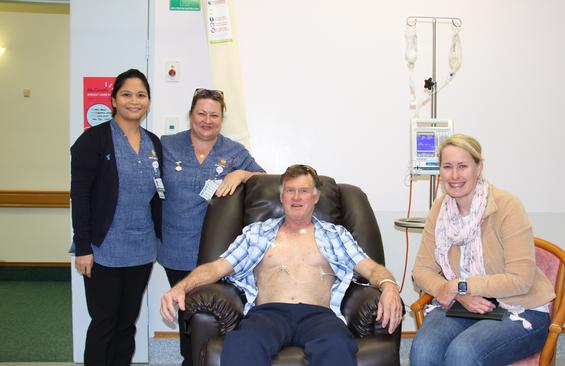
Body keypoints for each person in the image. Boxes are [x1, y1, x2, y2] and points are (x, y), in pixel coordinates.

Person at [160, 164, 403, 366]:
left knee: (337, 348)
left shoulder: (335, 234)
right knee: (243, 347)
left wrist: (389, 286)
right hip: (268, 314)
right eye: (290, 190)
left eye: (304, 191)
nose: (296, 197)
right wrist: (182, 287)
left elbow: (371, 268)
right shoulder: (257, 233)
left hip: (319, 316)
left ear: (316, 196)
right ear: (281, 196)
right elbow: (216, 267)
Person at [410, 134, 556, 366]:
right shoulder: (440, 210)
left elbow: (521, 280)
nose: (455, 175)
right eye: (447, 167)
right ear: (440, 171)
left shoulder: (507, 206)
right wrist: (459, 295)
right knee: (424, 349)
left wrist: (460, 285)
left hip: (520, 307)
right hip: (464, 304)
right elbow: (421, 270)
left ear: (479, 168)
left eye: (463, 166)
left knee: (463, 353)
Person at [157, 88, 264, 365]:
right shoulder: (167, 145)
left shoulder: (233, 151)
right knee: (186, 312)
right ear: (190, 115)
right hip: (176, 247)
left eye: (214, 115)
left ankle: (206, 360)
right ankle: (189, 359)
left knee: (210, 314)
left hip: (215, 252)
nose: (207, 120)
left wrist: (241, 174)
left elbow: (264, 179)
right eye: (201, 113)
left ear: (222, 118)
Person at [70, 68, 162, 366]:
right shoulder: (92, 140)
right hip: (103, 249)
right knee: (104, 324)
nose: (134, 101)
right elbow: (80, 197)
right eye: (126, 94)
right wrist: (83, 246)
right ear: (113, 100)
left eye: (141, 95)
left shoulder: (153, 143)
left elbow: (158, 195)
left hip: (141, 248)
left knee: (127, 324)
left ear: (148, 101)